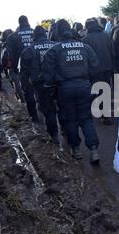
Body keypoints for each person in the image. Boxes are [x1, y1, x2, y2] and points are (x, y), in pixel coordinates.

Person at [42, 19, 100, 164]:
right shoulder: (84, 47)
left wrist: (50, 90)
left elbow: (48, 75)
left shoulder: (55, 49)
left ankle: (76, 149)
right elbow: (95, 67)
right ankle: (94, 150)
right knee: (86, 118)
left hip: (65, 89)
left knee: (71, 120)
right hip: (84, 86)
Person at [20, 26, 58, 142]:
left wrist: (25, 88)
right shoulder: (56, 45)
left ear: (34, 36)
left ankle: (54, 134)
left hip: (40, 84)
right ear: (45, 34)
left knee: (48, 110)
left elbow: (24, 73)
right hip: (58, 82)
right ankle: (67, 133)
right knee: (63, 108)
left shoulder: (28, 50)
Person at [82, 18, 116, 125]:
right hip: (108, 66)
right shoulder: (106, 35)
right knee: (106, 89)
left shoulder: (86, 39)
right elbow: (113, 51)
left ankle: (103, 114)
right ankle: (105, 114)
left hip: (94, 69)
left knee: (97, 90)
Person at [7, 15, 34, 103]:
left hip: (21, 68)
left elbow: (10, 55)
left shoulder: (12, 36)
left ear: (19, 23)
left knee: (27, 90)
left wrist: (14, 68)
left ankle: (32, 113)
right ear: (27, 21)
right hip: (38, 66)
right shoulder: (35, 32)